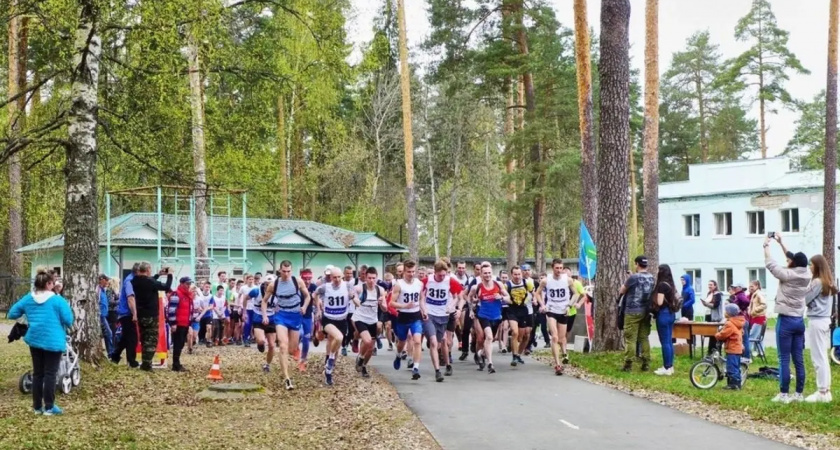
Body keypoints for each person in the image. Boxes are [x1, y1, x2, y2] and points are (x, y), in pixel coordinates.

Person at [8, 268, 73, 416]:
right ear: (49, 283)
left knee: (38, 374)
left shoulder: (28, 298)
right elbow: (68, 320)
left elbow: (12, 313)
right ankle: (49, 407)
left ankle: (37, 407)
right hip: (53, 340)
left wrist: (26, 318)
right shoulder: (58, 300)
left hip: (35, 339)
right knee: (50, 373)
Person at [764, 233, 810, 403]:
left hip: (786, 320)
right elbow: (792, 258)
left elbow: (770, 263)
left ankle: (783, 394)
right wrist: (781, 242)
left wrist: (766, 245)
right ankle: (799, 394)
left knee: (783, 358)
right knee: (798, 359)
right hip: (799, 321)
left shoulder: (787, 275)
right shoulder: (806, 275)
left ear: (794, 263)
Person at [262, 261, 310, 390]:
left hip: (295, 315)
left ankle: (289, 362)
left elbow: (307, 296)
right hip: (281, 315)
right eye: (284, 271)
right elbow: (264, 301)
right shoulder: (274, 284)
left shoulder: (297, 281)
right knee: (283, 345)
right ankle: (287, 379)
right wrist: (265, 315)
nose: (286, 274)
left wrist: (304, 307)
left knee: (291, 349)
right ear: (280, 270)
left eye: (289, 271)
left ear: (291, 270)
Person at [313, 267, 357, 385]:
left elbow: (357, 301)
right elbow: (314, 294)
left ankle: (329, 371)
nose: (337, 279)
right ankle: (330, 359)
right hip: (328, 319)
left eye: (339, 277)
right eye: (334, 277)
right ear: (330, 278)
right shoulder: (325, 287)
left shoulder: (347, 286)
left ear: (342, 276)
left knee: (336, 345)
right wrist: (318, 309)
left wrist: (354, 298)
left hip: (342, 320)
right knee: (338, 338)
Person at [422, 260, 464, 381]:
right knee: (434, 342)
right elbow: (420, 296)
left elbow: (460, 297)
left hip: (444, 314)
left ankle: (448, 364)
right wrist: (423, 309)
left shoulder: (450, 281)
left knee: (444, 341)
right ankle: (437, 371)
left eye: (444, 275)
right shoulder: (427, 281)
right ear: (434, 272)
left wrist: (458, 309)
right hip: (429, 314)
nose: (442, 277)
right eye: (439, 275)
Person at [804, 254, 836, 403]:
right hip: (825, 320)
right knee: (823, 356)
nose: (809, 267)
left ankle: (821, 392)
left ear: (817, 266)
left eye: (811, 264)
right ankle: (826, 390)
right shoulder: (828, 281)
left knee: (818, 357)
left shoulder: (817, 282)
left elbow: (805, 298)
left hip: (817, 320)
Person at [468, 264, 509, 374]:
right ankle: (490, 364)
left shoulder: (498, 284)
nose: (487, 275)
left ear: (492, 274)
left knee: (492, 339)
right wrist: (472, 309)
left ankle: (481, 353)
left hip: (496, 316)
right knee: (489, 337)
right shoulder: (477, 287)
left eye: (489, 273)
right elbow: (469, 298)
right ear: (481, 274)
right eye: (485, 273)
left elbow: (509, 299)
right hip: (483, 315)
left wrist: (502, 297)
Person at [535, 259, 574, 375]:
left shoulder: (568, 280)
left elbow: (576, 293)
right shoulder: (546, 281)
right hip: (551, 310)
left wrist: (570, 305)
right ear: (552, 268)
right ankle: (557, 364)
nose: (559, 270)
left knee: (562, 339)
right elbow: (537, 293)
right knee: (555, 338)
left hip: (563, 311)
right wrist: (542, 305)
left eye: (561, 268)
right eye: (557, 268)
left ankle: (563, 354)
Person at [131, 264, 173, 371]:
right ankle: (146, 364)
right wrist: (170, 275)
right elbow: (166, 287)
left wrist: (157, 275)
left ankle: (145, 363)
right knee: (152, 340)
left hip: (140, 314)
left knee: (144, 339)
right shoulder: (150, 282)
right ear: (148, 270)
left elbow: (148, 282)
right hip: (151, 314)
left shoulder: (134, 281)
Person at [389, 260, 426, 380]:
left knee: (417, 341)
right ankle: (399, 355)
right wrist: (404, 306)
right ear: (404, 272)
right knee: (401, 342)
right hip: (403, 316)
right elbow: (391, 303)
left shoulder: (419, 284)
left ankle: (415, 368)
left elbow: (421, 299)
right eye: (409, 271)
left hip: (415, 316)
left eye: (413, 271)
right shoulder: (399, 284)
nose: (411, 274)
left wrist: (424, 310)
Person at [618, 256, 654, 372]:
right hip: (646, 311)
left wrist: (629, 278)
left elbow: (622, 290)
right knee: (644, 338)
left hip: (632, 311)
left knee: (631, 339)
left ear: (637, 264)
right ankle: (646, 363)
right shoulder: (651, 278)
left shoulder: (633, 278)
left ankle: (628, 364)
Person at [352, 267, 385, 378]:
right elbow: (354, 298)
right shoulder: (359, 288)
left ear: (376, 278)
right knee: (367, 341)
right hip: (360, 318)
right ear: (365, 278)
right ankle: (360, 357)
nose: (371, 280)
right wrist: (354, 298)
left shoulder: (380, 290)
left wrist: (381, 304)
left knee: (371, 347)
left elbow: (385, 309)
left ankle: (364, 366)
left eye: (373, 278)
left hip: (373, 320)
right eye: (369, 278)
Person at [651, 264, 680, 376]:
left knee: (664, 342)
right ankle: (670, 366)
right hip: (671, 314)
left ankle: (666, 367)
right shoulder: (671, 284)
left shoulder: (662, 285)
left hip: (663, 314)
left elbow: (659, 302)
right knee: (669, 341)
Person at [504, 266, 534, 367]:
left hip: (523, 310)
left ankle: (518, 354)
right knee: (515, 332)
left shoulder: (527, 283)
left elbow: (533, 293)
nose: (517, 277)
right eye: (515, 274)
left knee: (522, 337)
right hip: (512, 310)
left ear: (521, 274)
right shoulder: (507, 285)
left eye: (519, 274)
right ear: (511, 275)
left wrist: (533, 299)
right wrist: (507, 300)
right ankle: (514, 356)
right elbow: (503, 296)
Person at [111, 263, 140, 367]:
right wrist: (134, 313)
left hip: (125, 313)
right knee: (132, 338)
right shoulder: (129, 282)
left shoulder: (130, 280)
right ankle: (132, 361)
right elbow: (130, 298)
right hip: (127, 314)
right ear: (137, 271)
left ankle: (115, 355)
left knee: (125, 338)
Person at [714, 304, 745, 390]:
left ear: (729, 313)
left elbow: (723, 334)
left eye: (726, 311)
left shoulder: (730, 323)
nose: (724, 312)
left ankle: (734, 385)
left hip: (732, 348)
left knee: (731, 367)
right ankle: (736, 383)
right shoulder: (738, 322)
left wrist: (717, 335)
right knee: (735, 366)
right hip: (737, 348)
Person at [170, 276, 195, 372]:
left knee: (180, 344)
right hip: (178, 323)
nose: (188, 286)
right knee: (177, 344)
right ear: (181, 283)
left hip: (185, 323)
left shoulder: (187, 295)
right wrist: (173, 323)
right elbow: (172, 309)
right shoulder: (177, 294)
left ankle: (177, 363)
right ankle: (175, 364)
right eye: (187, 284)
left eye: (189, 284)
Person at [298, 268, 318, 372]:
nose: (307, 281)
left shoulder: (314, 287)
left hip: (307, 316)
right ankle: (295, 349)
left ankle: (303, 360)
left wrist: (318, 310)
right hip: (296, 315)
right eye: (305, 278)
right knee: (299, 334)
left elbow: (316, 299)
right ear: (301, 277)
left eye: (309, 278)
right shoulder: (296, 286)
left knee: (306, 338)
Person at [728, 283, 751, 361]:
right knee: (744, 338)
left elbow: (747, 302)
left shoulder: (740, 295)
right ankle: (744, 357)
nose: (734, 288)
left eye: (735, 287)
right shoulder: (739, 295)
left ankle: (746, 357)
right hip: (743, 319)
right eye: (733, 287)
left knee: (744, 339)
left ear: (740, 288)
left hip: (742, 320)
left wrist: (741, 309)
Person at [700, 280, 724, 354]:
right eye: (709, 285)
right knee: (710, 334)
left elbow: (715, 305)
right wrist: (704, 303)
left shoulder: (718, 294)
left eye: (711, 285)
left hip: (715, 316)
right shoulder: (709, 293)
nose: (709, 286)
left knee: (715, 335)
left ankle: (716, 351)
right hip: (708, 315)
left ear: (715, 286)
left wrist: (706, 304)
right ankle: (710, 351)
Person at [97, 274, 114, 358]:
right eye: (106, 280)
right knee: (108, 333)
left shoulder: (103, 290)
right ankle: (111, 353)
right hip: (100, 316)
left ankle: (110, 352)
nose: (107, 282)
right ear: (102, 280)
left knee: (106, 333)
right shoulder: (98, 289)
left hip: (104, 315)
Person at [239, 274, 257, 347]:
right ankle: (246, 338)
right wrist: (240, 306)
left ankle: (252, 338)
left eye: (252, 279)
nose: (251, 281)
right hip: (246, 308)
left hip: (254, 308)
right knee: (247, 324)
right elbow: (239, 297)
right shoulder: (243, 288)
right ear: (246, 280)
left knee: (254, 324)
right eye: (249, 279)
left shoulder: (256, 288)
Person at [747, 280, 767, 344]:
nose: (750, 288)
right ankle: (760, 352)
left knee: (752, 336)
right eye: (749, 286)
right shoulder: (754, 294)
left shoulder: (758, 294)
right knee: (758, 336)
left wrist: (754, 310)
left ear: (757, 286)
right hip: (756, 317)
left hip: (758, 318)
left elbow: (764, 304)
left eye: (752, 286)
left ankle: (748, 351)